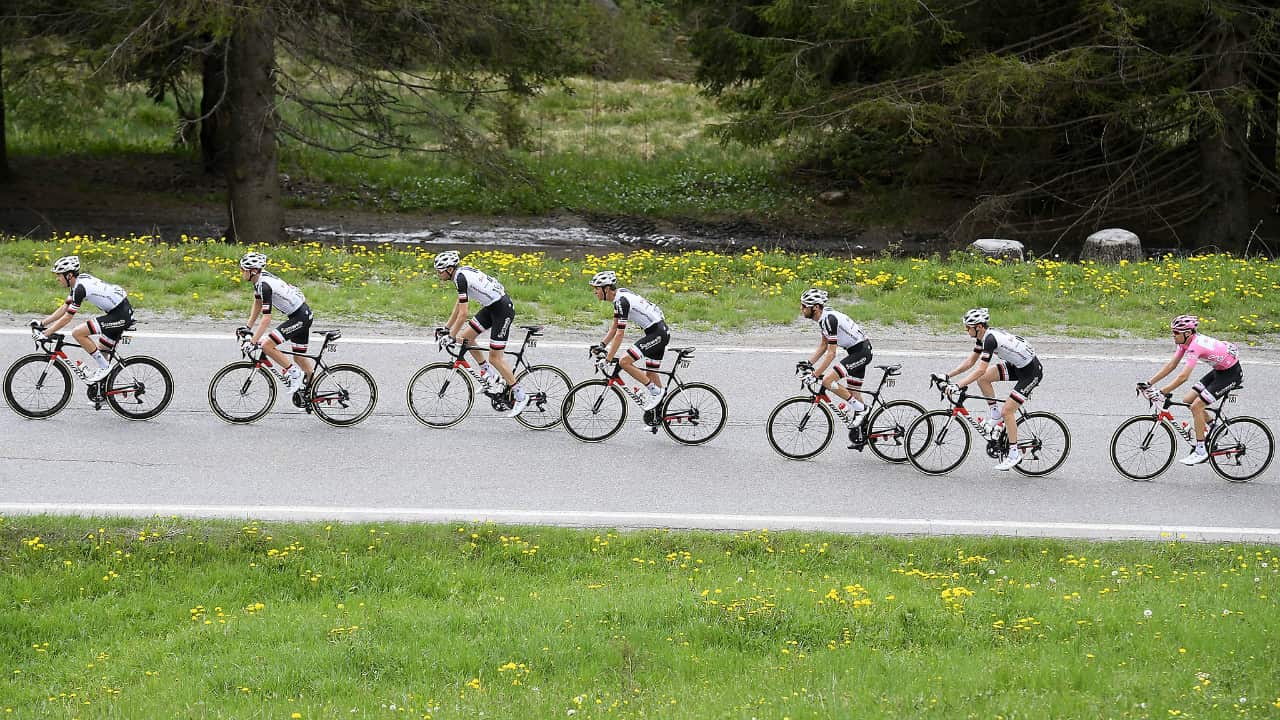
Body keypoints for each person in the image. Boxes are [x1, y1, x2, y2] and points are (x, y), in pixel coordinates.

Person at [935, 307, 1042, 471]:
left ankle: (1014, 454)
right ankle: (994, 414)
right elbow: (971, 362)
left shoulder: (990, 340)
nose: (966, 330)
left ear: (978, 326)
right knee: (984, 380)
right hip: (1017, 366)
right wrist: (948, 375)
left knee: (1008, 411)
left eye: (968, 327)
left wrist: (958, 386)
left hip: (1031, 372)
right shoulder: (983, 337)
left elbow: (979, 369)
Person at [433, 250, 528, 417]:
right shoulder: (460, 275)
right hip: (492, 308)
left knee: (495, 358)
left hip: (502, 311)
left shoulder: (460, 278)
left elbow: (463, 315)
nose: (438, 274)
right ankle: (488, 375)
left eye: (440, 270)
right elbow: (458, 305)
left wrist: (450, 337)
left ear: (449, 269)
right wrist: (447, 329)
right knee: (464, 338)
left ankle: (521, 396)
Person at [1139, 314, 1241, 466]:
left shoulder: (1195, 346)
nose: (1173, 335)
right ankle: (1215, 426)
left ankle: (1201, 451)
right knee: (1188, 400)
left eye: (1175, 333)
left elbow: (1183, 376)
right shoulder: (1184, 343)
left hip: (1231, 374)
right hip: (1219, 371)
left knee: (1196, 406)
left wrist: (1162, 392)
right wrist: (1148, 383)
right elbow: (1171, 365)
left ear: (1187, 333)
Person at [33, 255, 133, 384]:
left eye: (59, 275)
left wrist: (46, 333)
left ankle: (105, 367)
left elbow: (68, 317)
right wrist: (42, 323)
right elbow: (65, 307)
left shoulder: (80, 288)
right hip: (116, 312)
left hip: (120, 315)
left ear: (69, 275)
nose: (57, 279)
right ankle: (102, 394)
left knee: (78, 332)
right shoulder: (77, 283)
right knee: (102, 353)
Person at [587, 270, 668, 411]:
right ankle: (658, 417)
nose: (595, 292)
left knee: (624, 361)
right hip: (658, 332)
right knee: (650, 374)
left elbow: (619, 334)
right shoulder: (620, 296)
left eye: (596, 289)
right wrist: (602, 345)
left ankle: (657, 392)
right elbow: (614, 328)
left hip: (657, 334)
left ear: (606, 289)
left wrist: (608, 360)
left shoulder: (621, 302)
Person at [797, 288, 871, 435]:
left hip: (861, 352)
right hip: (857, 351)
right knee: (854, 394)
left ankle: (863, 410)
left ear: (815, 307)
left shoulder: (829, 320)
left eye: (804, 306)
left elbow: (831, 353)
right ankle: (866, 434)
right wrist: (808, 363)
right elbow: (824, 345)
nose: (801, 308)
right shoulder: (823, 319)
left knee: (827, 381)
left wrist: (815, 375)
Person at [239, 252, 313, 395]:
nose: (241, 272)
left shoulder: (264, 285)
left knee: (267, 345)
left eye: (243, 270)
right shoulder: (259, 280)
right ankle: (312, 393)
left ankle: (295, 374)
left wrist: (253, 342)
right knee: (299, 357)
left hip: (300, 317)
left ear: (253, 271)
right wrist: (248, 327)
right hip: (301, 314)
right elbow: (258, 303)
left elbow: (267, 319)